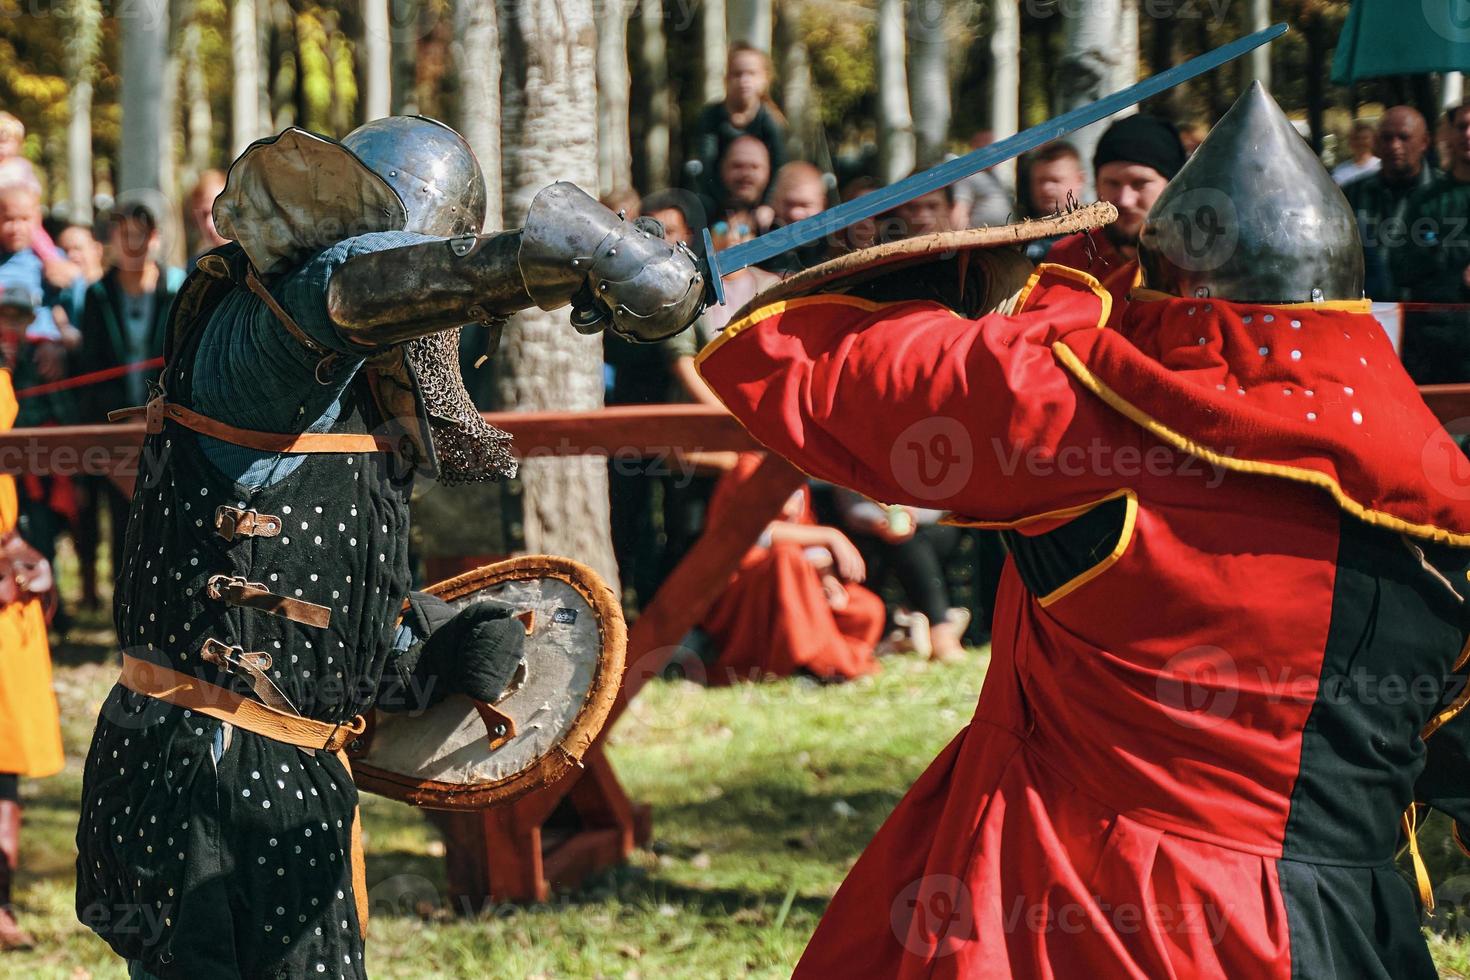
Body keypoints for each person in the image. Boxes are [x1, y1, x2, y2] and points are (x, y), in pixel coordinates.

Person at [697, 81, 1470, 979]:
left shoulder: (1095, 414)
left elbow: (862, 374)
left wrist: (1054, 285)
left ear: (1180, 279)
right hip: (1349, 923)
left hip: (1109, 909)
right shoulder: (1437, 479)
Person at [73, 117, 703, 978]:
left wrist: (428, 650)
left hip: (276, 769)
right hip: (206, 773)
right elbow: (351, 286)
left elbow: (311, 585)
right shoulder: (265, 332)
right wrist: (566, 258)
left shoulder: (343, 399)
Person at [73, 200, 186, 594]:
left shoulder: (180, 287)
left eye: (141, 235)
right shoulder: (97, 294)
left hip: (168, 425)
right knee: (121, 517)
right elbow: (90, 366)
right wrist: (121, 419)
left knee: (165, 518)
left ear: (155, 239)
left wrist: (155, 414)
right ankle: (121, 603)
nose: (134, 244)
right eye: (125, 236)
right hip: (115, 429)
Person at [700, 452, 884, 684]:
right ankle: (817, 664)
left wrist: (826, 576)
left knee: (865, 608)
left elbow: (805, 527)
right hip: (748, 585)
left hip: (801, 576)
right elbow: (750, 532)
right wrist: (831, 536)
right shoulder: (748, 467)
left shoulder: (794, 467)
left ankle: (822, 659)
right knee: (786, 559)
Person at [0, 279, 63, 953]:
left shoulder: (5, 385)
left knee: (3, 760)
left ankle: (0, 904)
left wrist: (21, 552)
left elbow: (11, 494)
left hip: (5, 601)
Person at [1044, 114, 1186, 321]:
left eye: (1140, 183)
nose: (1125, 200)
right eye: (1112, 183)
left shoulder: (1202, 263)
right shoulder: (1068, 259)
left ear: (1173, 186)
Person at [1390, 100, 1470, 383]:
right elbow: (1404, 267)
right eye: (1461, 127)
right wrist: (1457, 275)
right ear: (1450, 134)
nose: (1468, 134)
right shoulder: (1425, 200)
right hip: (1436, 345)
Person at [1343, 106, 1437, 300]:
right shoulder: (1352, 194)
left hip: (1428, 316)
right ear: (1376, 143)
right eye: (1387, 138)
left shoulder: (1443, 195)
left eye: (1404, 137)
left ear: (1425, 141)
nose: (1394, 146)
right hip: (1368, 315)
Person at [691, 43, 786, 208]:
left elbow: (779, 168)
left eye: (751, 74)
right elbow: (705, 165)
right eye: (737, 74)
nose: (744, 81)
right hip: (716, 200)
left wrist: (766, 206)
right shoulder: (711, 117)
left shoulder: (770, 121)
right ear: (726, 78)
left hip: (761, 202)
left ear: (765, 79)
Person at [758, 161, 831, 275]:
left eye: (805, 205)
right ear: (775, 202)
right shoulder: (760, 236)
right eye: (788, 204)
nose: (795, 213)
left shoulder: (834, 242)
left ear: (823, 204)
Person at [1018, 142, 1087, 260]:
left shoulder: (1096, 237)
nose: (1046, 189)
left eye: (1055, 180)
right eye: (1041, 181)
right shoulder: (1018, 237)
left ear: (1079, 180)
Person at [708, 134, 773, 249]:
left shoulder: (779, 221)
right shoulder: (701, 215)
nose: (746, 174)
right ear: (722, 168)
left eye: (754, 167)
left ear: (768, 171)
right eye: (737, 166)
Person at [949, 131, 1015, 229]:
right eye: (985, 145)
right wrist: (959, 239)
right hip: (981, 237)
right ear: (975, 148)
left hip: (1006, 235)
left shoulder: (999, 175)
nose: (991, 151)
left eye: (994, 146)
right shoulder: (968, 176)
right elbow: (960, 210)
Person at [185, 169, 229, 262]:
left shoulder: (254, 261)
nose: (209, 224)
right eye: (203, 215)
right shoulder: (196, 267)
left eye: (216, 212)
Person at [1332, 119, 1381, 185]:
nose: (1360, 142)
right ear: (1350, 142)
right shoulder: (1339, 171)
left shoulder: (1380, 167)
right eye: (1356, 138)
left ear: (1373, 141)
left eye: (1364, 138)